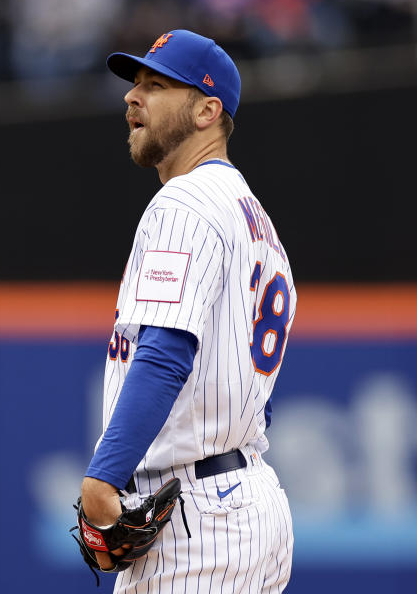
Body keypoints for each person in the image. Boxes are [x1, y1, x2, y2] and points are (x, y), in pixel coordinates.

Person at [80, 30, 295, 593]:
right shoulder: (256, 220)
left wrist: (104, 477)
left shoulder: (186, 201)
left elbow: (166, 351)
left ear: (207, 110)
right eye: (135, 84)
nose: (133, 96)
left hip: (198, 517)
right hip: (247, 499)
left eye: (156, 85)